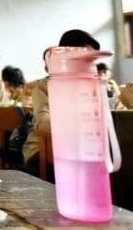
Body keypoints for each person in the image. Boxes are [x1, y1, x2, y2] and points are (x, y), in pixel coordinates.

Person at [22, 29, 100, 171]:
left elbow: (117, 112)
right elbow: (42, 122)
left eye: (92, 59)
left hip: (84, 148)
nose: (90, 64)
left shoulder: (93, 86)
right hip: (42, 150)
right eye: (85, 58)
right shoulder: (46, 86)